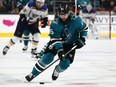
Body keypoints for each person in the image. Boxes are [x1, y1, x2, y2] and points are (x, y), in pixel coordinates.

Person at [25, 4, 88, 82]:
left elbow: (84, 28)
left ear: (69, 13)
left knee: (65, 64)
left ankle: (57, 70)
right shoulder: (55, 23)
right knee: (47, 58)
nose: (63, 17)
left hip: (69, 44)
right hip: (57, 43)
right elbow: (55, 39)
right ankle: (33, 73)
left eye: (65, 14)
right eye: (61, 15)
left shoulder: (76, 20)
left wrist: (82, 38)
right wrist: (60, 50)